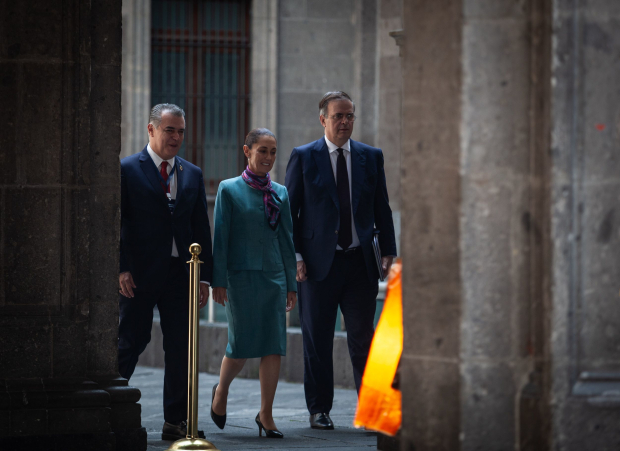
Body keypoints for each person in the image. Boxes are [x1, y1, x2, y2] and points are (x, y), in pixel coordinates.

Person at [285, 91, 397, 430]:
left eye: (350, 115)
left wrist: (390, 252)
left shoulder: (370, 156)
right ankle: (319, 409)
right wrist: (297, 257)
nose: (345, 121)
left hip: (359, 264)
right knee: (316, 339)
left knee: (364, 339)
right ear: (323, 119)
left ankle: (373, 409)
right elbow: (290, 213)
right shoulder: (303, 157)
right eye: (338, 116)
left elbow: (383, 208)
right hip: (317, 267)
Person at [118, 103, 213, 441]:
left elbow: (201, 226)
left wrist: (204, 276)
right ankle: (111, 409)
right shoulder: (128, 169)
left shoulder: (192, 173)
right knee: (130, 340)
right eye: (170, 130)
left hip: (181, 274)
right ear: (151, 129)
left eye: (181, 131)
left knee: (181, 348)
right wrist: (121, 269)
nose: (176, 137)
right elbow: (115, 224)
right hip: (139, 276)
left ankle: (176, 420)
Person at [210, 128, 297, 439]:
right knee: (241, 345)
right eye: (263, 151)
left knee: (274, 344)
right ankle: (221, 392)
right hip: (240, 278)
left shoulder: (281, 193)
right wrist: (218, 281)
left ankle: (266, 414)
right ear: (247, 152)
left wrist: (291, 284)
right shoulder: (228, 189)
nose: (269, 158)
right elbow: (220, 240)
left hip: (273, 277)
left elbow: (287, 241)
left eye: (273, 152)